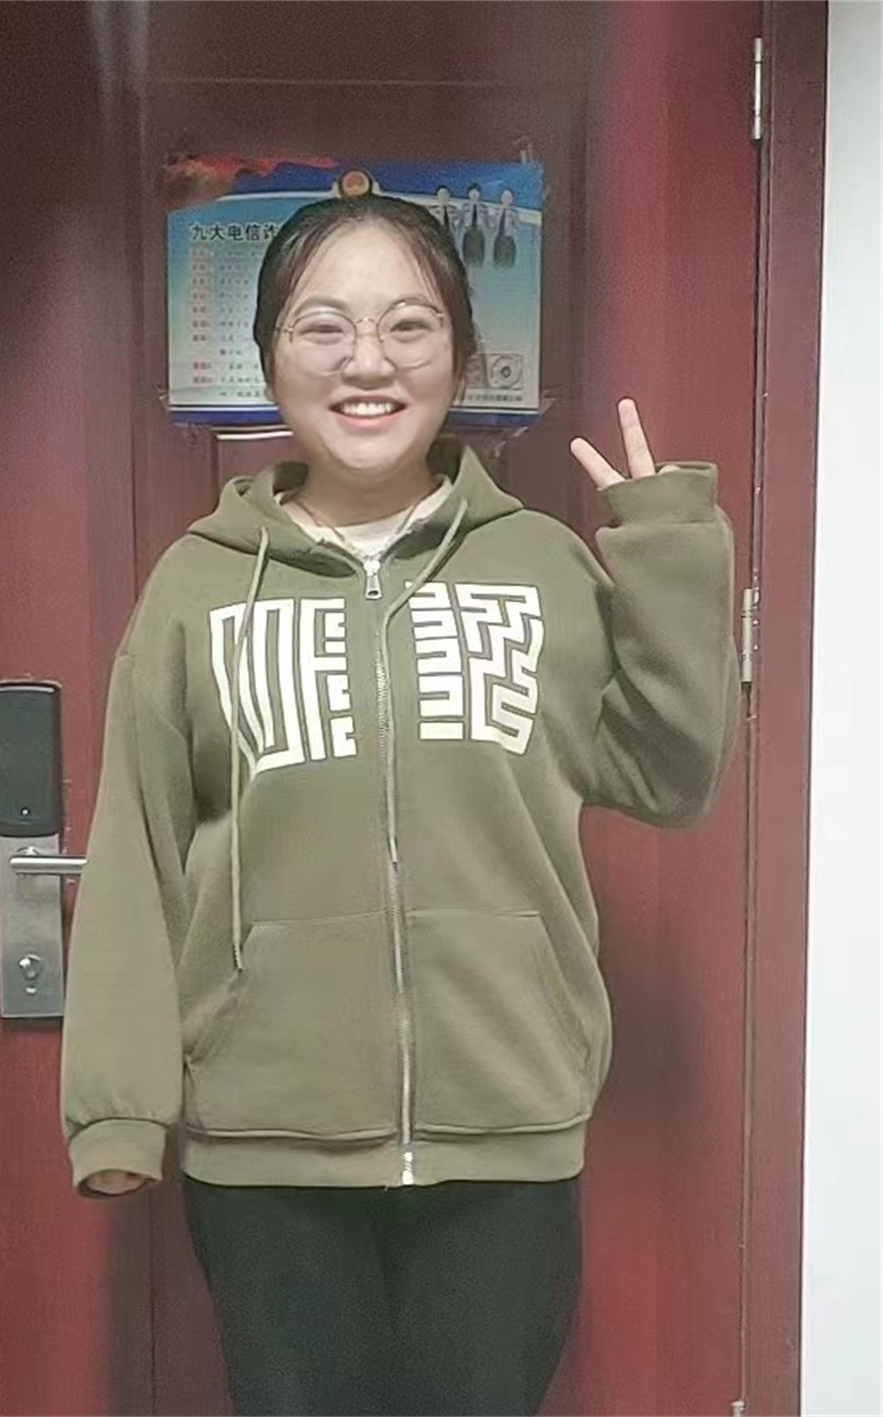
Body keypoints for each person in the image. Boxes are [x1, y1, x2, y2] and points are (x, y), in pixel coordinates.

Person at [60, 193, 740, 1416]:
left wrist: (670, 548)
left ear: (461, 360)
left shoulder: (538, 564)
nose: (366, 361)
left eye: (408, 325)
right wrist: (117, 1112)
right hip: (263, 1145)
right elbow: (136, 854)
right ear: (268, 357)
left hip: (508, 1133)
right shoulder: (195, 589)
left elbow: (670, 774)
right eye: (324, 326)